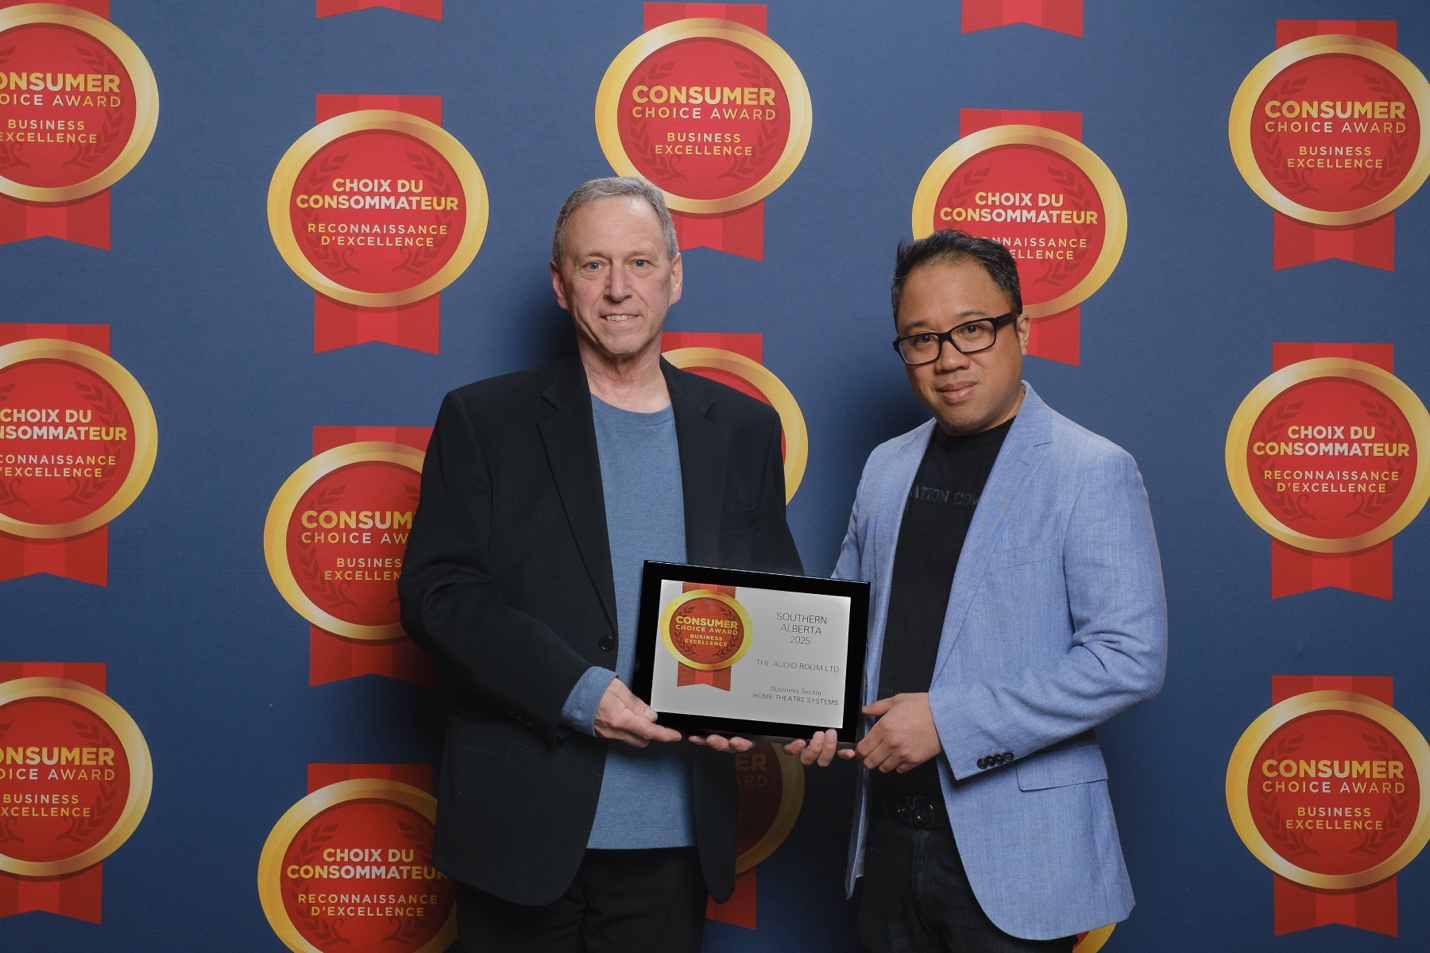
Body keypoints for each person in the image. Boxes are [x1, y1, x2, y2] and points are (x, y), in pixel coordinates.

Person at [398, 176, 802, 952]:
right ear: (561, 284)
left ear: (675, 277)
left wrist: (788, 710)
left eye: (640, 263)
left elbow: (773, 597)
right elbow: (439, 594)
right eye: (594, 265)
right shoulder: (484, 418)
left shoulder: (743, 428)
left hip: (676, 833)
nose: (619, 288)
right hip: (520, 826)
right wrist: (580, 693)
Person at [791, 230, 1167, 951]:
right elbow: (842, 625)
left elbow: (1128, 658)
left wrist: (949, 722)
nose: (948, 357)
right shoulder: (886, 466)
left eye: (973, 328)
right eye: (921, 339)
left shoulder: (1091, 468)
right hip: (885, 843)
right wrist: (795, 708)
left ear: (1021, 328)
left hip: (1020, 859)